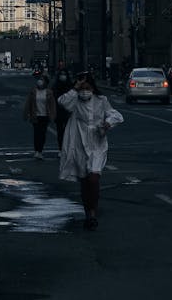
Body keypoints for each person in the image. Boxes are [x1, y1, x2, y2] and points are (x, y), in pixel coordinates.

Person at [58, 71, 123, 230]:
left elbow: (115, 115)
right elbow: (63, 102)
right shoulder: (75, 101)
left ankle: (93, 212)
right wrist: (75, 88)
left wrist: (108, 123)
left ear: (93, 88)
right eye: (82, 88)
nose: (85, 91)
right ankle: (88, 212)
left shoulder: (101, 100)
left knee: (94, 178)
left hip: (97, 144)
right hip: (79, 143)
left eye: (88, 87)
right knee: (84, 181)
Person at [23, 73, 57, 159]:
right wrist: (26, 114)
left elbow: (52, 105)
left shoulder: (49, 92)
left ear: (46, 82)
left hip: (45, 115)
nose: (40, 81)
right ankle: (36, 151)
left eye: (42, 80)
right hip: (36, 115)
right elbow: (28, 103)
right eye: (39, 80)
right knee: (36, 133)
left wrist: (53, 115)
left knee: (43, 134)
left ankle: (40, 150)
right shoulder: (33, 91)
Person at [52, 65, 74, 149]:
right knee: (60, 131)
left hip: (69, 111)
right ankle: (61, 148)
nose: (63, 76)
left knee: (69, 131)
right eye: (61, 74)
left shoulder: (70, 85)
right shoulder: (55, 86)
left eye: (64, 74)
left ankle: (68, 147)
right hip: (58, 111)